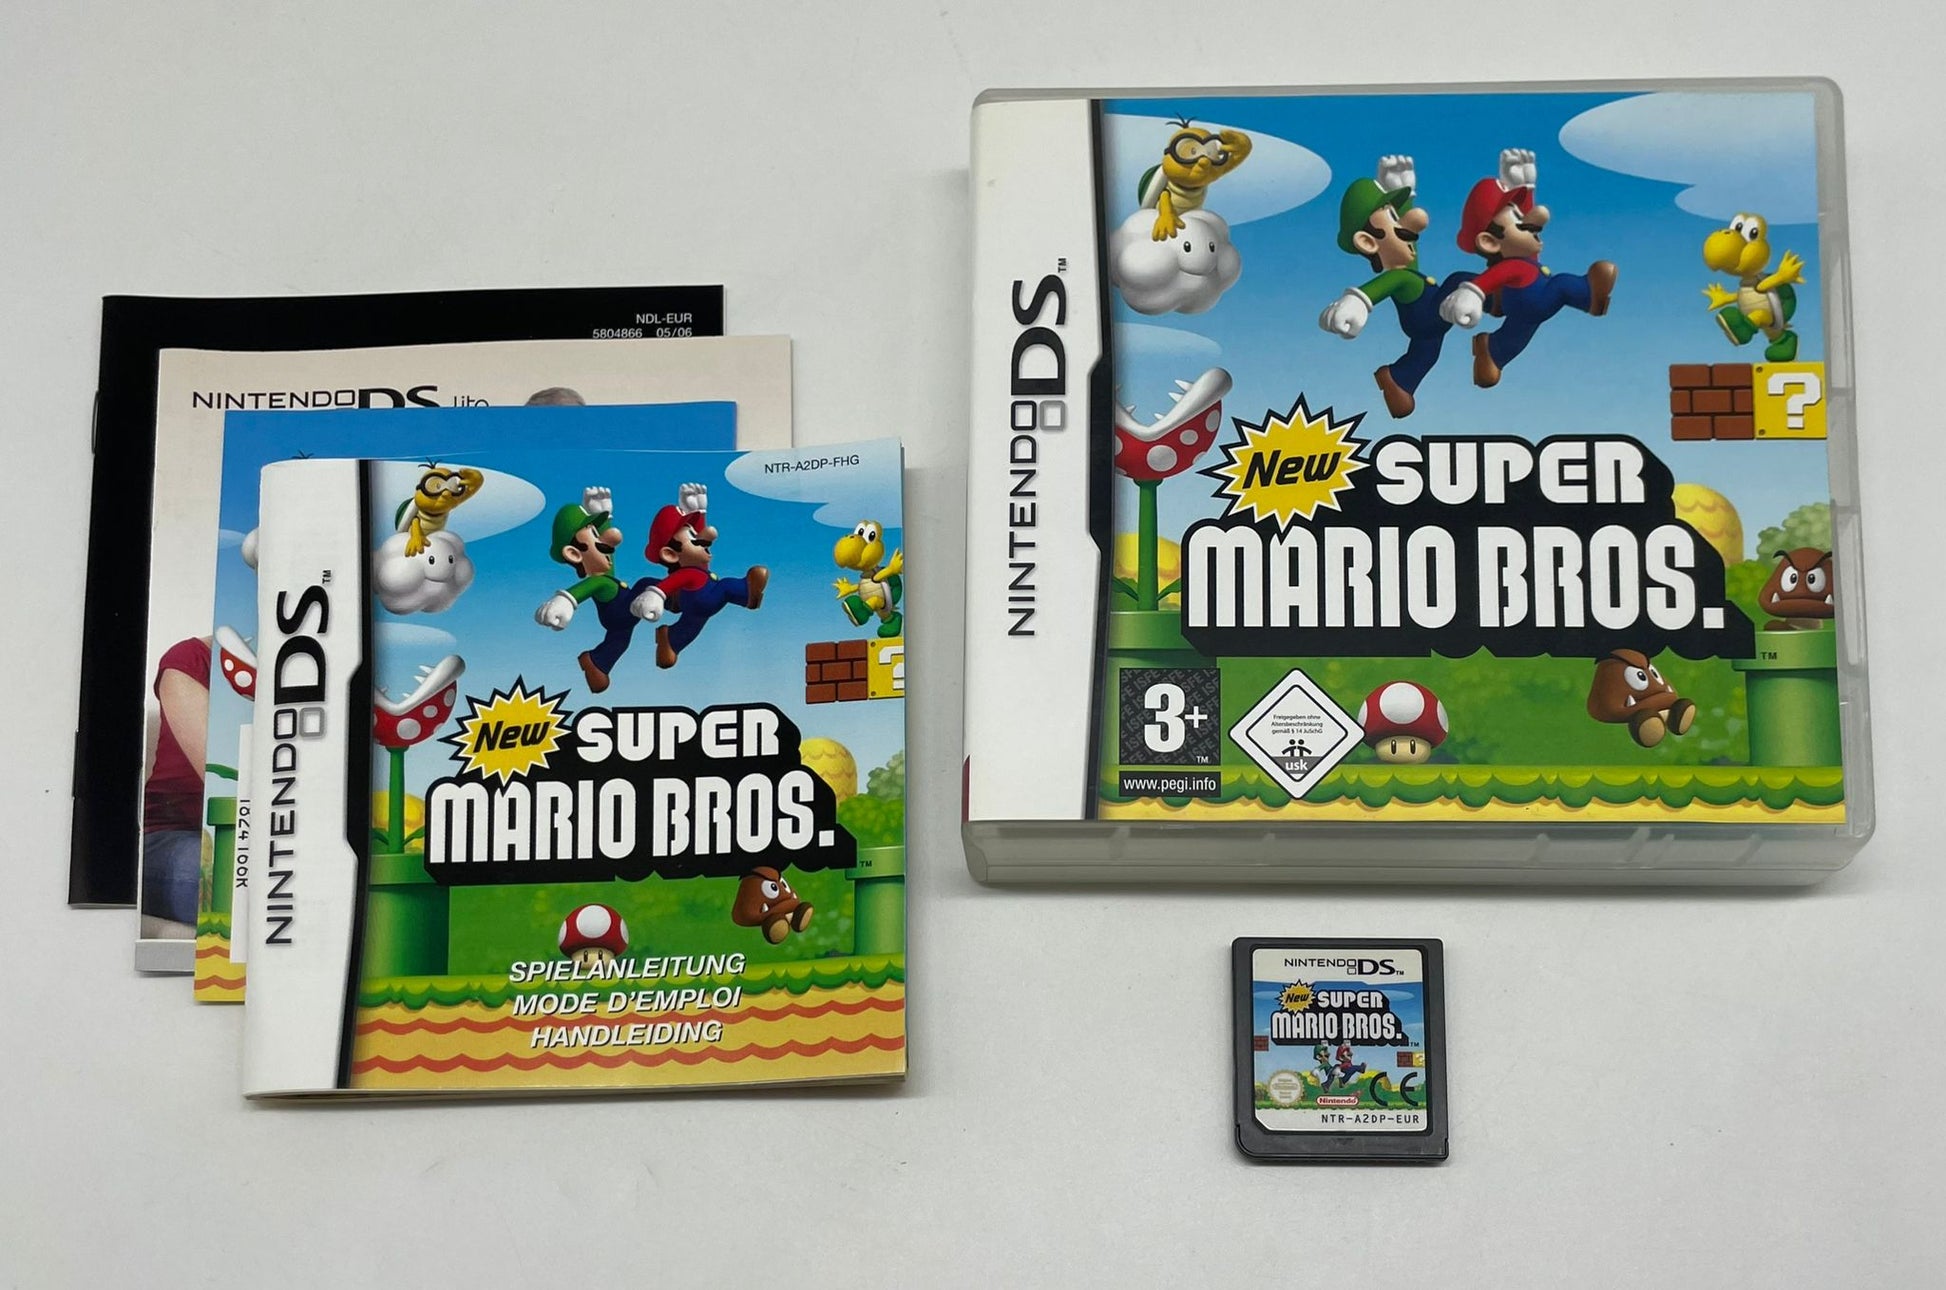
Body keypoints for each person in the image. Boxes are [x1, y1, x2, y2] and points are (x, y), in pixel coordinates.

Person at [141, 636, 211, 927]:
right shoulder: (191, 660)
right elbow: (227, 783)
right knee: (240, 883)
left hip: (266, 839)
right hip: (173, 834)